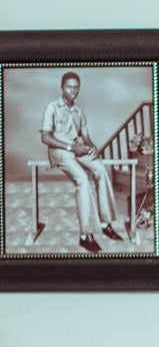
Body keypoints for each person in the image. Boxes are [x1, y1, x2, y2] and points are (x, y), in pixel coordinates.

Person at [39, 72, 127, 252]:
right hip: (60, 152)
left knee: (101, 170)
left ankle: (105, 224)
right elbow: (46, 138)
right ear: (62, 87)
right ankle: (85, 235)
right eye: (69, 86)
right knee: (82, 179)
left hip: (78, 149)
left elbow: (85, 137)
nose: (73, 90)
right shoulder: (52, 107)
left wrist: (92, 147)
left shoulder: (80, 112)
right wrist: (71, 148)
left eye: (76, 87)